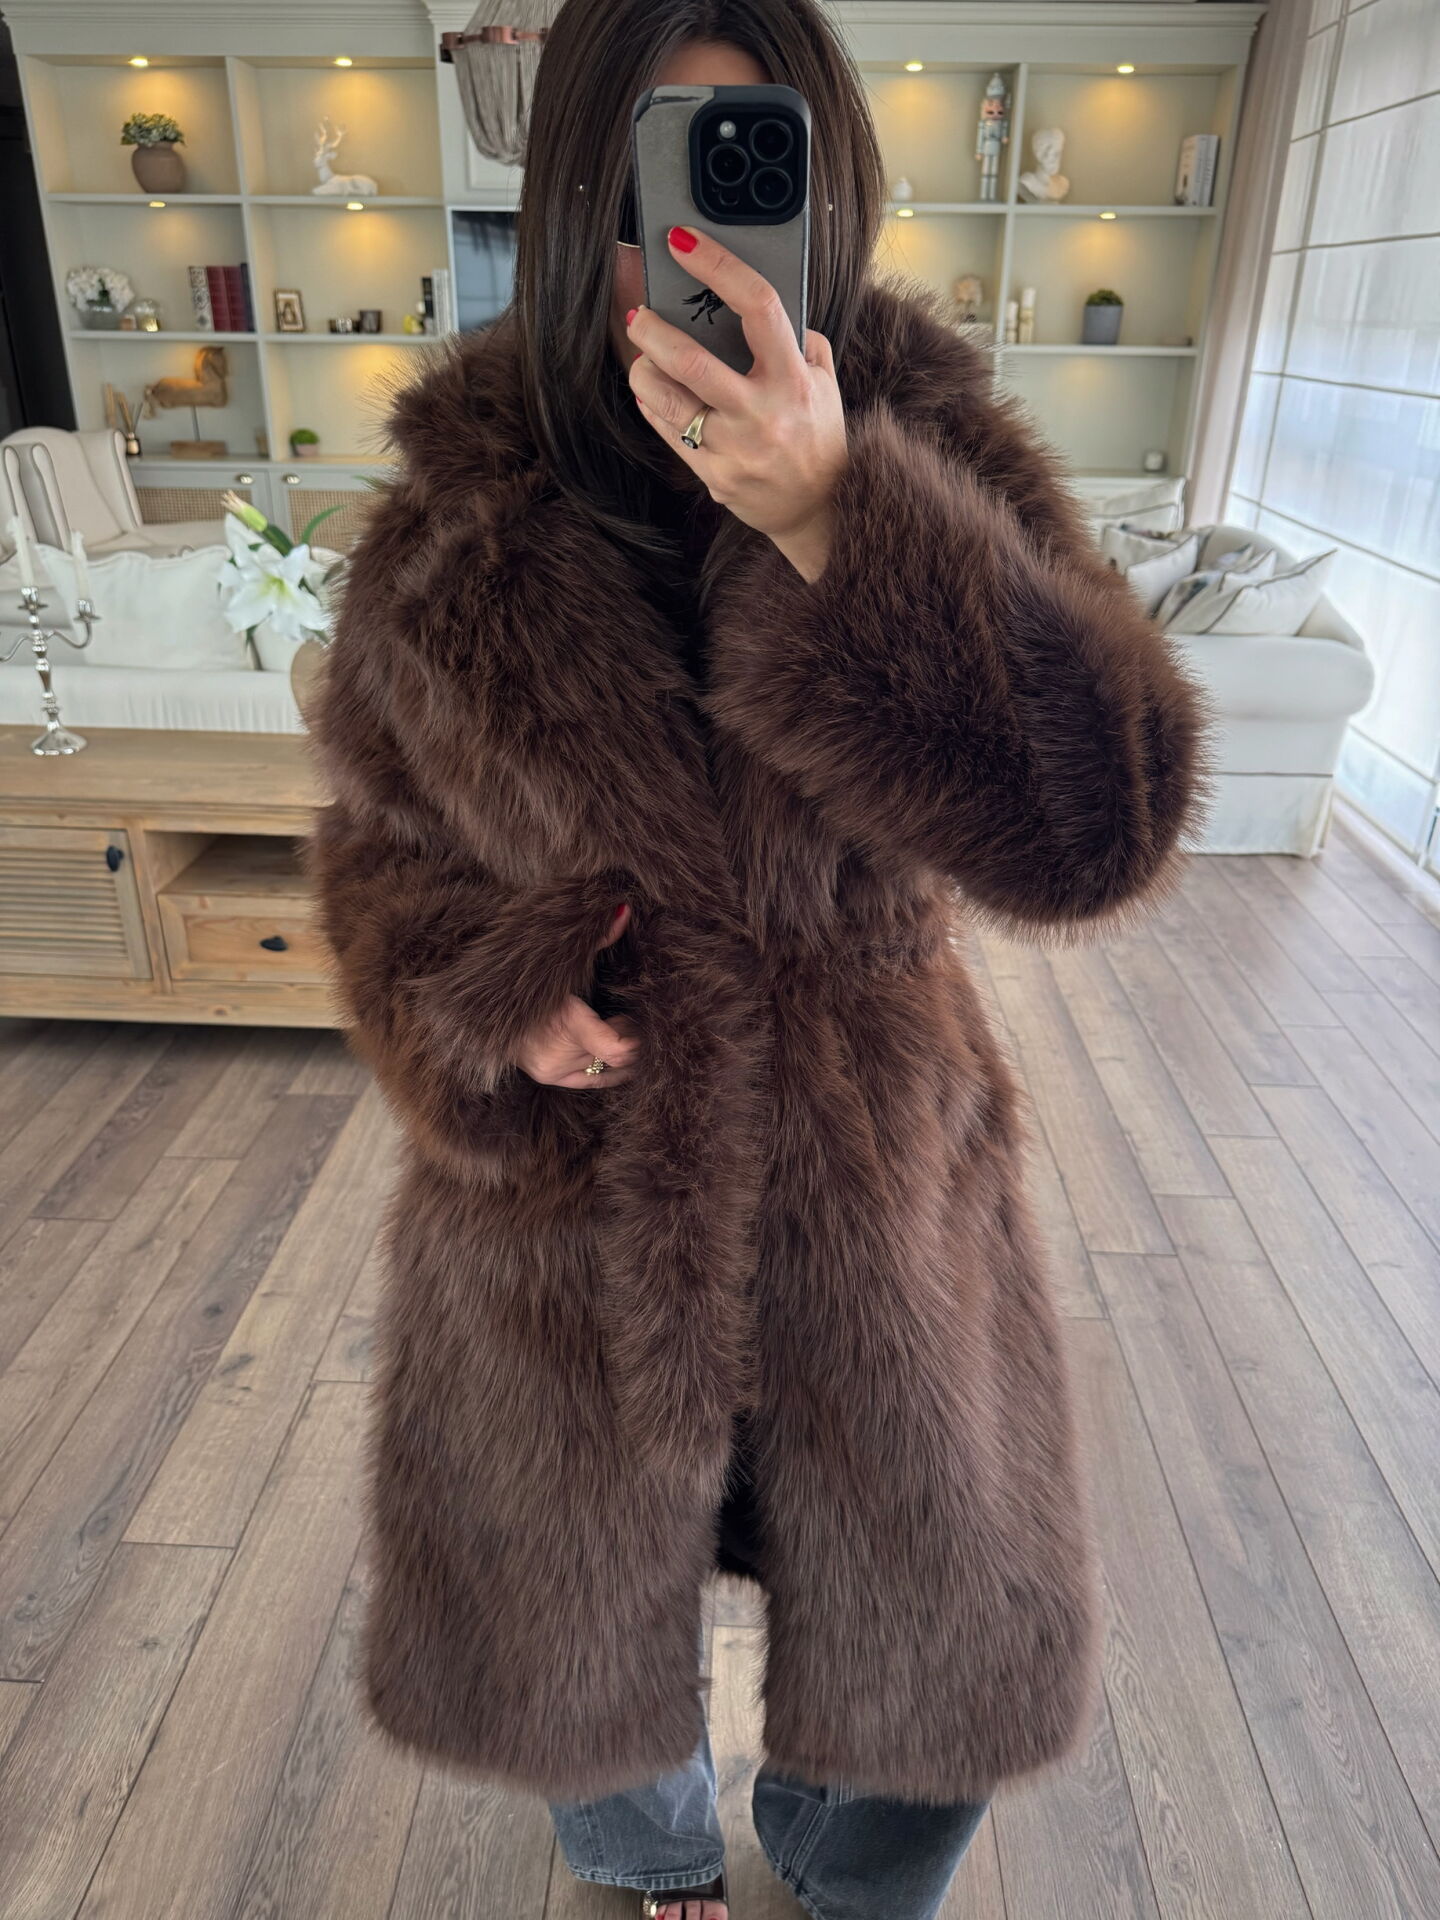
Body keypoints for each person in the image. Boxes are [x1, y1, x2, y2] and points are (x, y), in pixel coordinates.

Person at [307, 3, 1205, 1916]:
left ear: (828, 184)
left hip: (870, 1171)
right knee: (572, 1604)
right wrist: (482, 1000)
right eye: (664, 169)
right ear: (583, 191)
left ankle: (844, 1862)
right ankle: (649, 1862)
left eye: (754, 167)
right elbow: (376, 850)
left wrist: (842, 523)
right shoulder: (461, 505)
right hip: (572, 1191)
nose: (706, 234)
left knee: (935, 1615)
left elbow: (1104, 819)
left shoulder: (926, 444)